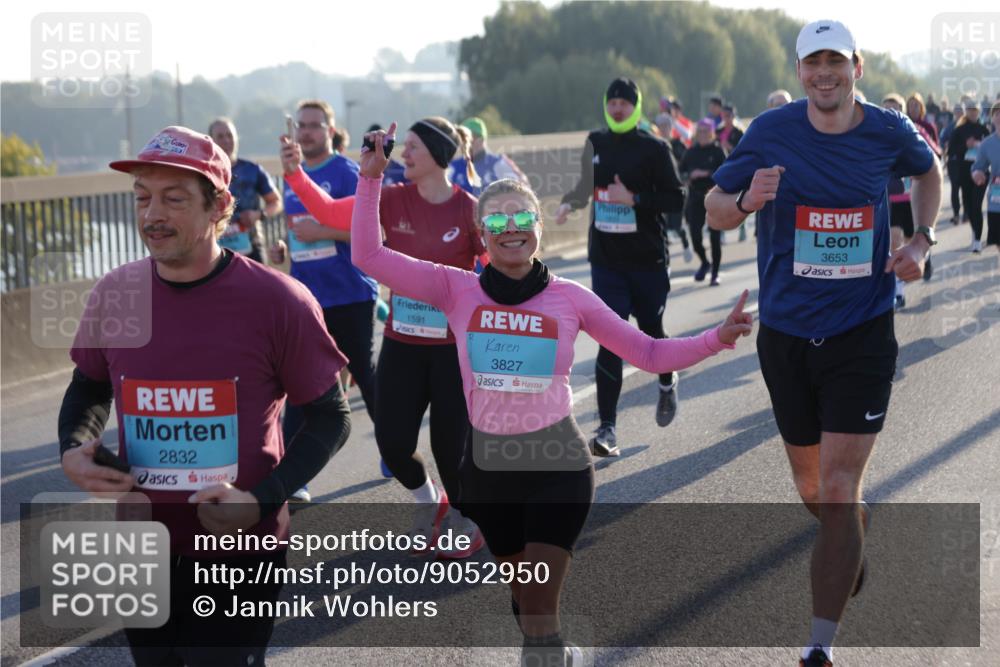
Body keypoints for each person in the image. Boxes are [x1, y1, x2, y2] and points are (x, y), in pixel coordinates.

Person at [352, 124, 752, 666]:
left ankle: (545, 652)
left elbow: (649, 352)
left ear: (538, 226)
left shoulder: (570, 299)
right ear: (482, 234)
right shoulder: (455, 288)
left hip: (557, 464)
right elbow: (369, 256)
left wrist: (716, 338)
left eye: (522, 219)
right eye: (497, 222)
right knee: (526, 605)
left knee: (539, 608)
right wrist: (371, 180)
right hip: (488, 471)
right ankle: (556, 653)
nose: (511, 230)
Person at [59, 126, 351, 665]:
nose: (152, 215)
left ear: (219, 207)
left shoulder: (278, 301)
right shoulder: (116, 293)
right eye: (142, 198)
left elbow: (330, 417)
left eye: (173, 199)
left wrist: (261, 500)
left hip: (239, 547)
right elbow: (89, 386)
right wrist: (75, 447)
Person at [704, 20, 941, 667]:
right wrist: (746, 201)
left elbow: (930, 173)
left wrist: (922, 240)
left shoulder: (889, 130)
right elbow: (714, 207)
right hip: (786, 337)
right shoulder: (769, 131)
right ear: (800, 71)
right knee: (814, 490)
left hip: (862, 331)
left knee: (837, 487)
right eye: (814, 63)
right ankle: (850, 530)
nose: (824, 74)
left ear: (857, 67)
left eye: (836, 61)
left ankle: (818, 647)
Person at [280, 116, 490, 558]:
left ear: (438, 154)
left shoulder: (469, 209)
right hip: (403, 344)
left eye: (413, 147)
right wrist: (296, 173)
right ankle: (429, 502)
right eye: (403, 146)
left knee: (450, 449)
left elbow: (495, 272)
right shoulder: (391, 199)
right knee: (393, 446)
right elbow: (327, 212)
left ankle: (465, 517)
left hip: (452, 349)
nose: (403, 154)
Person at [554, 77, 687, 457]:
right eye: (611, 102)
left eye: (624, 103)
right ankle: (607, 429)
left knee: (650, 332)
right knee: (611, 340)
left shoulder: (654, 147)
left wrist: (635, 199)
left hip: (647, 260)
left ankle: (666, 379)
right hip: (607, 261)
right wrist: (569, 202)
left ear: (635, 107)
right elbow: (585, 187)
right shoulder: (595, 141)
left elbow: (676, 199)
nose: (616, 108)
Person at [268, 100, 378, 498]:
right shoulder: (291, 175)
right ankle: (294, 479)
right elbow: (298, 229)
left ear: (330, 130)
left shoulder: (346, 172)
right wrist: (284, 250)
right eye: (302, 125)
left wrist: (325, 233)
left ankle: (394, 449)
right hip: (306, 298)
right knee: (300, 383)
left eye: (315, 125)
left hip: (350, 293)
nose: (307, 131)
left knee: (365, 377)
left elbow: (372, 230)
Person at [208, 117, 282, 262]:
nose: (226, 140)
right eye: (220, 136)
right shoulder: (204, 174)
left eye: (230, 135)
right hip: (216, 253)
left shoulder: (253, 170)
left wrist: (259, 214)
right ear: (211, 141)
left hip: (252, 247)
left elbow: (276, 202)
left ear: (237, 138)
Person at [680, 118, 728, 285]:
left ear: (712, 133)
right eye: (699, 131)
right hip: (695, 197)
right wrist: (688, 176)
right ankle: (705, 262)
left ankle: (715, 273)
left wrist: (705, 173)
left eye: (706, 131)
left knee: (715, 236)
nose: (702, 134)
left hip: (714, 197)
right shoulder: (690, 151)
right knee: (695, 236)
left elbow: (727, 171)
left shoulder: (718, 151)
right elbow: (681, 172)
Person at [948, 98, 990, 252]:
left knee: (977, 205)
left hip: (981, 173)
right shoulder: (959, 130)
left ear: (978, 112)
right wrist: (965, 146)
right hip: (964, 173)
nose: (973, 113)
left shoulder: (984, 129)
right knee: (970, 207)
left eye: (975, 110)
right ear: (966, 112)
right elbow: (951, 151)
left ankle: (977, 240)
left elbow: (991, 150)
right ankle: (974, 232)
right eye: (970, 110)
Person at [448, 117, 529, 196]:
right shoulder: (453, 167)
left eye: (469, 138)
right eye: (462, 139)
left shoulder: (498, 162)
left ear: (481, 139)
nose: (465, 143)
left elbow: (522, 188)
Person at [656, 112, 694, 263]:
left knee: (677, 226)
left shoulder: (678, 144)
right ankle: (664, 258)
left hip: (678, 189)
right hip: (660, 190)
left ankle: (686, 244)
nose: (664, 128)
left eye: (666, 125)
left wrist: (683, 175)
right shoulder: (655, 145)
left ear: (671, 127)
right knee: (661, 225)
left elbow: (687, 165)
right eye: (661, 126)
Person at [971, 102, 1000, 254]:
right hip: (997, 200)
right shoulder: (987, 144)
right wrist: (977, 173)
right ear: (992, 118)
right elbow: (978, 166)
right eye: (997, 114)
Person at [942, 102, 966, 224]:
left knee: (966, 188)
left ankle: (966, 213)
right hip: (953, 161)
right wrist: (945, 145)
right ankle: (956, 214)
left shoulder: (969, 126)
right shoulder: (949, 127)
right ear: (954, 113)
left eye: (960, 110)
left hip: (967, 162)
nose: (958, 113)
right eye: (956, 111)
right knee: (955, 188)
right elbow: (942, 140)